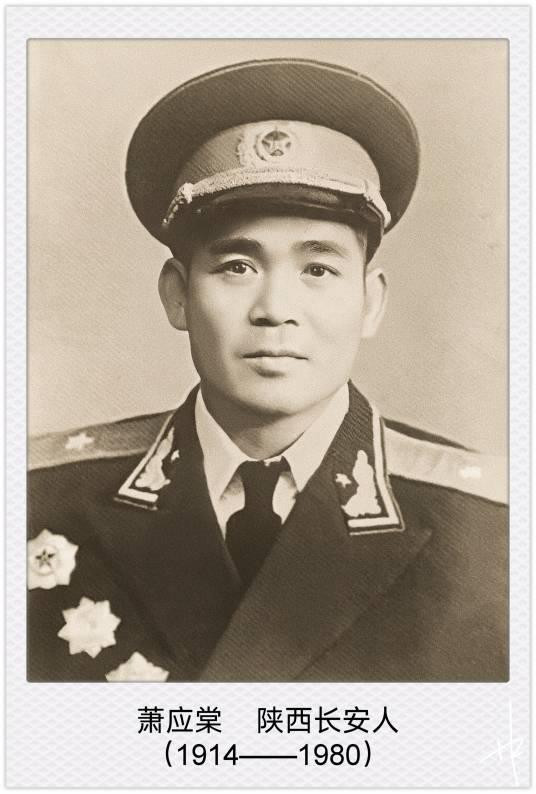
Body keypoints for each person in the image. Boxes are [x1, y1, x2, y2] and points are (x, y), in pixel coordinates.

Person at [28, 58, 507, 683]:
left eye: (318, 269)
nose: (276, 310)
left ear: (370, 302)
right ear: (177, 295)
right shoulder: (38, 501)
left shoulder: (492, 528)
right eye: (237, 267)